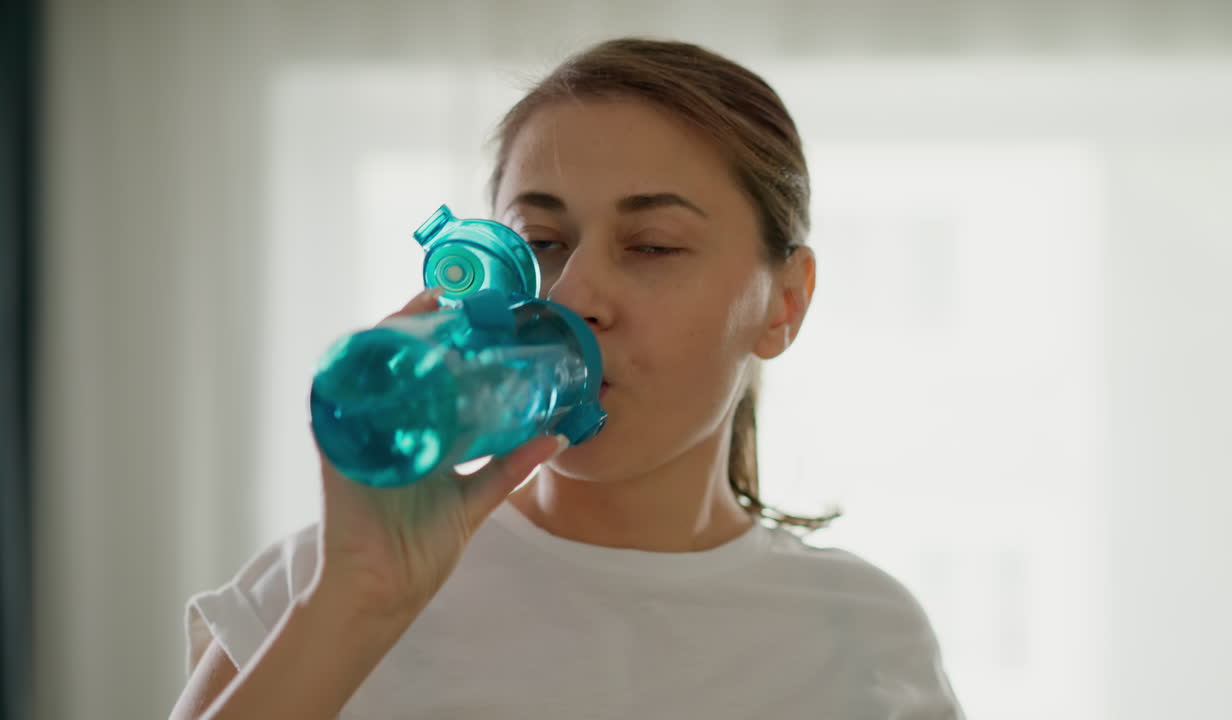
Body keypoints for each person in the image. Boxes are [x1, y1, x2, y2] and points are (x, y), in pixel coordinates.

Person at [170, 37, 965, 719]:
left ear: (784, 303)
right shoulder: (326, 587)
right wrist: (356, 606)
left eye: (652, 245)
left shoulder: (866, 636)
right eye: (542, 241)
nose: (576, 295)